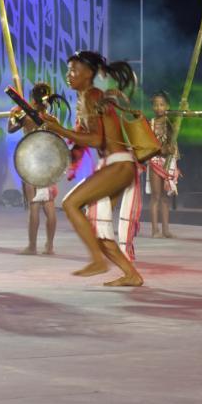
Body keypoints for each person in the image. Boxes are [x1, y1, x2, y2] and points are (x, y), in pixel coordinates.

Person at [40, 51, 144, 286]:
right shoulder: (85, 98)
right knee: (96, 225)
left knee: (70, 204)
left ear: (88, 73)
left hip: (119, 164)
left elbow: (97, 140)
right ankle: (131, 275)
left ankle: (98, 260)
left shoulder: (92, 95)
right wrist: (66, 149)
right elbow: (82, 140)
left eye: (74, 70)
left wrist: (59, 130)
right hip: (117, 165)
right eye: (68, 70)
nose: (69, 75)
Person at [8, 82, 60, 255]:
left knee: (34, 205)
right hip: (48, 163)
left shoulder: (25, 116)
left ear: (32, 97)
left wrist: (14, 116)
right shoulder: (52, 119)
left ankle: (32, 246)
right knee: (49, 205)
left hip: (30, 162)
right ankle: (50, 246)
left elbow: (10, 129)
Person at [146, 91, 179, 239]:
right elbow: (148, 145)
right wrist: (161, 149)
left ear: (168, 106)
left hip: (168, 161)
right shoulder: (150, 124)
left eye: (162, 104)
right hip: (155, 161)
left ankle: (166, 229)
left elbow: (181, 119)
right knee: (156, 196)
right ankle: (155, 230)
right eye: (156, 105)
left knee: (166, 197)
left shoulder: (171, 122)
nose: (159, 107)